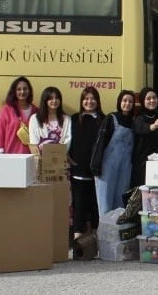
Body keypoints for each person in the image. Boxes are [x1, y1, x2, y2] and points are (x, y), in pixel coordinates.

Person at [68, 87, 106, 240]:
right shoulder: (74, 119)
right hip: (78, 171)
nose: (89, 102)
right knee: (79, 207)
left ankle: (97, 242)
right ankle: (78, 242)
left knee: (96, 207)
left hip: (98, 172)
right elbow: (67, 140)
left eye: (93, 99)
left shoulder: (104, 120)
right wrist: (68, 157)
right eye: (86, 99)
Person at [92, 90, 136, 216]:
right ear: (119, 102)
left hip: (125, 168)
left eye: (130, 101)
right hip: (107, 167)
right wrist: (95, 164)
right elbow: (100, 142)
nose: (127, 104)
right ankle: (105, 232)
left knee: (120, 201)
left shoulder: (133, 123)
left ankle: (116, 231)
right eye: (124, 100)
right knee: (105, 200)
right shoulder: (111, 119)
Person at [132, 87, 158, 187]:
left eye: (154, 98)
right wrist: (155, 126)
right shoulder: (138, 118)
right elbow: (142, 129)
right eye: (148, 98)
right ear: (143, 101)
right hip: (142, 164)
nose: (152, 101)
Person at [0, 76, 36, 154]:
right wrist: (0, 152)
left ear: (29, 91)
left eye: (25, 89)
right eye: (19, 89)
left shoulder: (36, 111)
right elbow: (0, 131)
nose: (22, 91)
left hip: (30, 156)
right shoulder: (6, 110)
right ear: (14, 91)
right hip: (10, 155)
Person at [28, 87, 71, 151]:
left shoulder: (66, 119)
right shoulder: (35, 119)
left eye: (57, 98)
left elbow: (68, 140)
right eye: (51, 98)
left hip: (60, 158)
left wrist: (57, 153)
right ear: (45, 100)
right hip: (40, 159)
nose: (54, 101)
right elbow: (33, 141)